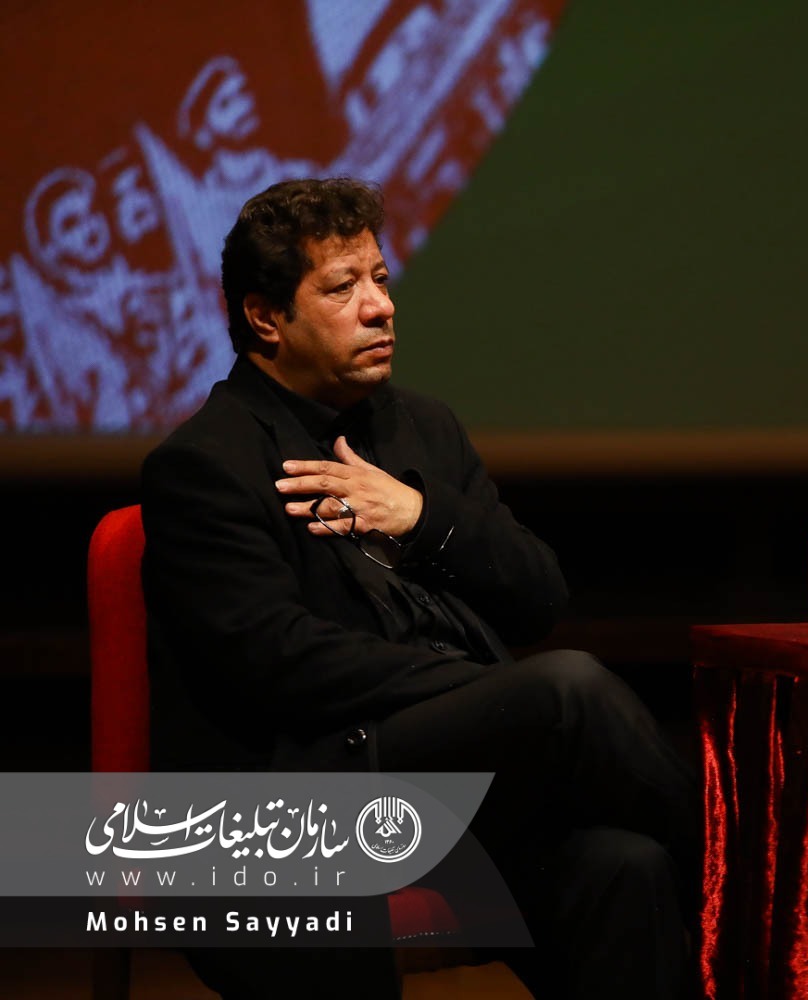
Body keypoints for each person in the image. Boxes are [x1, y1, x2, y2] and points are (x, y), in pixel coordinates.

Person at [140, 177, 692, 998]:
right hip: (309, 795)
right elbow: (278, 663)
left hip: (455, 781)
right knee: (565, 692)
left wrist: (424, 518)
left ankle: (741, 896)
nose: (381, 307)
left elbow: (539, 598)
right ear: (265, 318)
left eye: (381, 279)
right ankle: (756, 886)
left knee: (627, 865)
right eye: (342, 288)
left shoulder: (420, 428)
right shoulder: (206, 465)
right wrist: (482, 692)